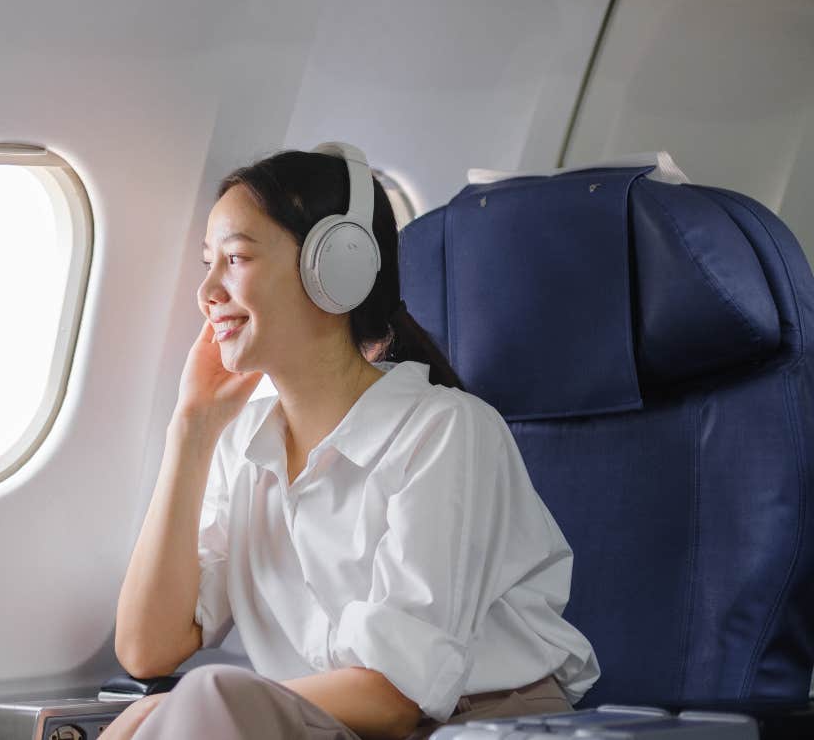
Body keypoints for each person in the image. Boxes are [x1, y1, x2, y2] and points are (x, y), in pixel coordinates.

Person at [107, 146, 599, 740]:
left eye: (234, 258)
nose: (206, 290)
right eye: (208, 263)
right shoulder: (242, 444)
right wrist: (191, 429)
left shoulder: (446, 432)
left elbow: (393, 696)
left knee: (209, 695)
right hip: (332, 727)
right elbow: (148, 649)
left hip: (478, 727)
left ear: (335, 267)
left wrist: (201, 710)